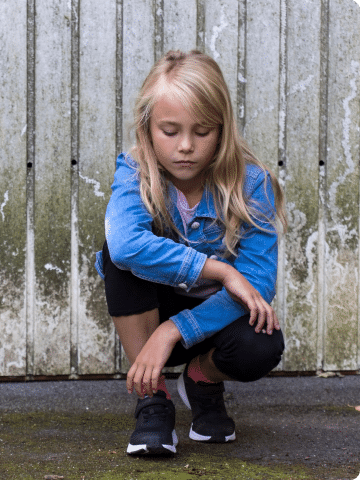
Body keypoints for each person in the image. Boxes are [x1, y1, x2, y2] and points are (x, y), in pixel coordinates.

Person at [94, 50, 287, 456]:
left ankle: (201, 379)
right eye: (170, 131)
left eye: (202, 132)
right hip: (149, 315)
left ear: (222, 128)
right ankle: (154, 398)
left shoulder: (253, 185)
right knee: (117, 254)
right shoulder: (135, 171)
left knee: (262, 344)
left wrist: (172, 331)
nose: (185, 146)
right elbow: (128, 244)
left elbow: (259, 283)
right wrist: (220, 270)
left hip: (209, 324)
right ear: (147, 128)